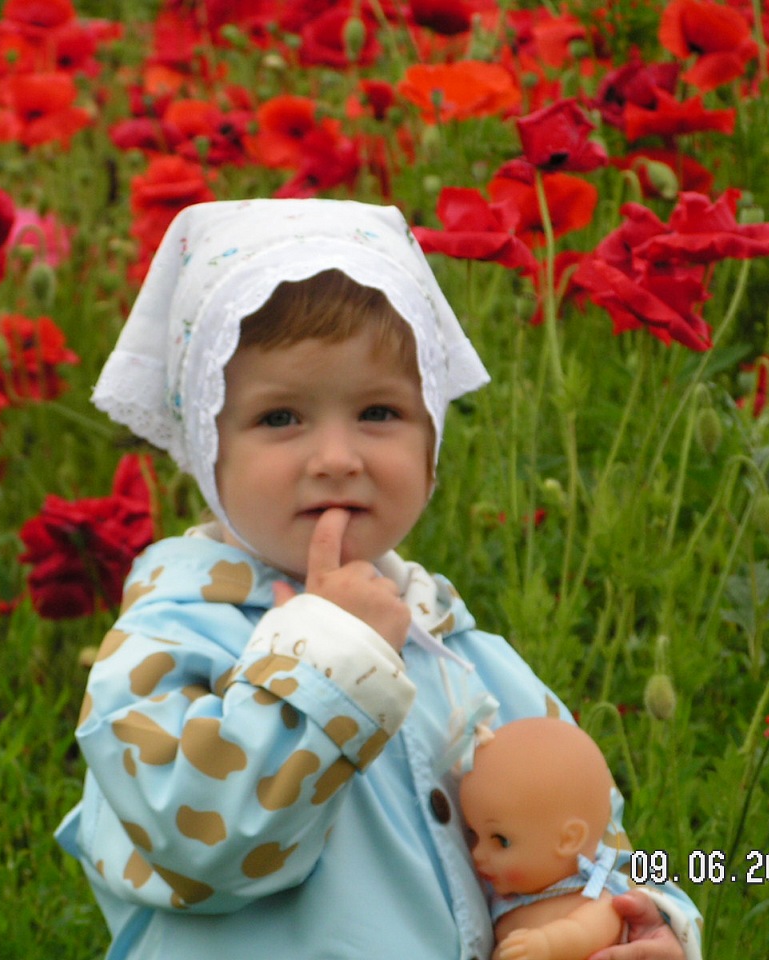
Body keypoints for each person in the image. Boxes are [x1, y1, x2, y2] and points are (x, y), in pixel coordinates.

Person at [55, 198, 702, 960]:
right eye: (280, 417)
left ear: (432, 442)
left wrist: (637, 921)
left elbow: (578, 841)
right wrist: (334, 652)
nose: (337, 457)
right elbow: (199, 850)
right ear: (205, 443)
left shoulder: (461, 655)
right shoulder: (168, 643)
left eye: (379, 412)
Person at [460, 718, 629, 960]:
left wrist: (547, 945)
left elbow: (581, 933)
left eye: (501, 841)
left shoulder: (596, 900)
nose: (477, 853)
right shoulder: (506, 903)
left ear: (569, 840)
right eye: (473, 835)